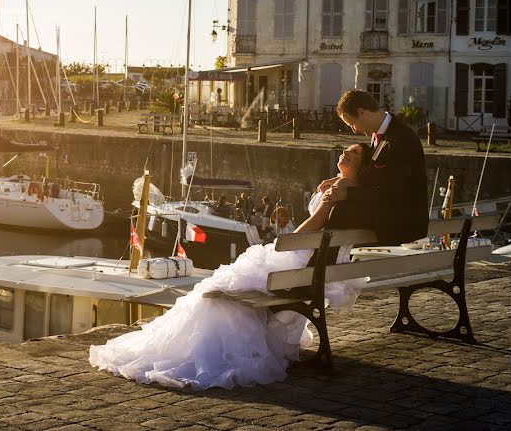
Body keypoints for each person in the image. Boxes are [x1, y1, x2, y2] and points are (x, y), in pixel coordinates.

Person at [89, 143, 372, 389]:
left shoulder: (342, 186)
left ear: (363, 164)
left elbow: (311, 227)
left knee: (216, 292)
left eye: (355, 153)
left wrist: (293, 233)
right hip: (310, 267)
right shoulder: (346, 186)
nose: (346, 153)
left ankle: (198, 351)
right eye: (346, 150)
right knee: (223, 287)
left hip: (298, 261)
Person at [318, 89, 427, 246]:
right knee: (339, 207)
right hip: (388, 209)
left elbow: (394, 191)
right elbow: (376, 177)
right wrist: (341, 180)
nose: (354, 130)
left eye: (352, 124)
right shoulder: (379, 135)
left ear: (362, 112)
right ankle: (324, 261)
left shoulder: (402, 139)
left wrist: (347, 193)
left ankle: (321, 265)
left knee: (342, 212)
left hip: (402, 219)